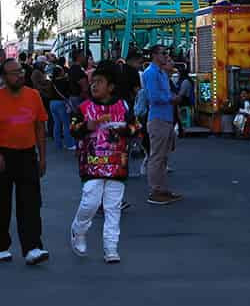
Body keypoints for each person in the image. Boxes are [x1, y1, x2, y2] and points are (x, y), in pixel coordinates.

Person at [0, 58, 50, 265]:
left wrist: (42, 157)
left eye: (20, 71)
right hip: (2, 154)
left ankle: (32, 247)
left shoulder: (33, 96)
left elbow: (40, 128)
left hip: (27, 154)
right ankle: (0, 246)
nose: (19, 75)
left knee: (31, 203)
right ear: (3, 77)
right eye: (14, 73)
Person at [69, 61, 139, 263]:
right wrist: (86, 126)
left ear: (111, 86)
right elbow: (73, 129)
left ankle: (111, 248)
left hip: (118, 165)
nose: (94, 85)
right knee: (90, 202)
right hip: (91, 165)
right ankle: (79, 229)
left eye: (99, 82)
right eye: (93, 82)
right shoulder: (83, 107)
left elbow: (136, 127)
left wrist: (125, 129)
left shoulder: (123, 106)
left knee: (113, 207)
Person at [141, 46, 181, 206]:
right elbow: (154, 97)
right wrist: (171, 98)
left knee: (162, 156)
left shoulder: (161, 73)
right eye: (163, 53)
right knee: (157, 156)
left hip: (165, 117)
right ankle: (156, 190)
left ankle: (162, 189)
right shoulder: (151, 73)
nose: (166, 56)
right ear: (154, 55)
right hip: (158, 118)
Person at [49, 64, 76, 151]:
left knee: (57, 123)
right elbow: (68, 91)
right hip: (61, 103)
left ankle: (58, 144)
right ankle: (69, 144)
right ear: (60, 73)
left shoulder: (52, 82)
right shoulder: (64, 81)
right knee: (66, 124)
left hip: (52, 103)